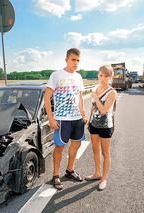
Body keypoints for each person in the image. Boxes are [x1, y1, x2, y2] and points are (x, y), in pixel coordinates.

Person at [44, 48, 87, 190]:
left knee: (76, 145)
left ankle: (69, 170)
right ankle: (56, 176)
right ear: (66, 59)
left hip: (77, 118)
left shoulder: (79, 76)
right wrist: (51, 119)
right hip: (62, 119)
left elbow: (80, 97)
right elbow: (46, 97)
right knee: (59, 147)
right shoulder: (56, 75)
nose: (75, 63)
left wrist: (83, 114)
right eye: (73, 59)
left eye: (78, 60)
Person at [85, 65, 117, 191]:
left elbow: (103, 111)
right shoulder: (96, 88)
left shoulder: (112, 92)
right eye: (100, 75)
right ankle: (97, 173)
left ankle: (104, 179)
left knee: (105, 153)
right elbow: (93, 106)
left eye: (106, 76)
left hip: (105, 126)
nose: (102, 78)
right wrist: (89, 119)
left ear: (110, 77)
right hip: (94, 125)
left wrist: (96, 96)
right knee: (95, 150)